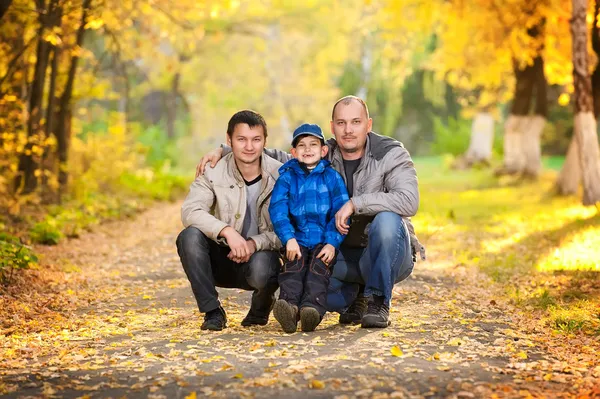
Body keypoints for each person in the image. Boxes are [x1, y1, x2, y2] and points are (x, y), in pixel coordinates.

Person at [196, 96, 426, 329]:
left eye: (356, 122)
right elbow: (276, 155)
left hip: (382, 255)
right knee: (311, 292)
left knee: (386, 221)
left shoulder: (390, 153)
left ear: (368, 125)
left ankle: (377, 301)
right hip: (338, 256)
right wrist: (225, 150)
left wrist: (355, 204)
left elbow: (409, 201)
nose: (348, 130)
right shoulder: (324, 152)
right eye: (341, 123)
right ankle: (355, 297)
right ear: (332, 126)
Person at [176, 110, 282, 331]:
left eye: (256, 140)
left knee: (266, 266)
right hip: (223, 256)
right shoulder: (213, 171)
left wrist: (254, 243)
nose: (249, 147)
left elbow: (290, 228)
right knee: (189, 237)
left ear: (265, 141)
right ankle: (212, 312)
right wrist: (226, 231)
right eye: (241, 139)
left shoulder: (282, 173)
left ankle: (261, 307)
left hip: (260, 258)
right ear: (228, 140)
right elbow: (190, 210)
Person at [269, 123, 349, 333]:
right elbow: (277, 210)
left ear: (323, 150)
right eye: (302, 145)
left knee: (318, 273)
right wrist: (288, 239)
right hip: (297, 240)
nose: (308, 149)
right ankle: (289, 308)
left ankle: (311, 311)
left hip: (324, 240)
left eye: (313, 144)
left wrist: (332, 243)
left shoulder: (332, 177)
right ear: (293, 152)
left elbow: (340, 213)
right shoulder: (287, 177)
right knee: (292, 270)